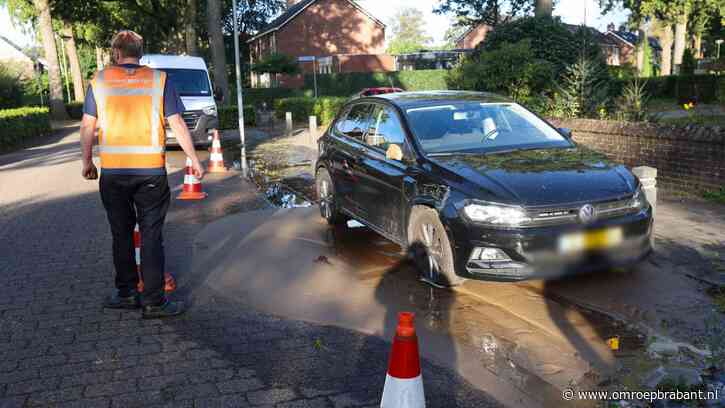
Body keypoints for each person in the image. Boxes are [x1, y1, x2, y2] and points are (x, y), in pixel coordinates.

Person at [80, 30, 204, 318]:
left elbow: (88, 126)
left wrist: (87, 161)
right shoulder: (159, 80)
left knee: (120, 234)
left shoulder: (98, 81)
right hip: (150, 172)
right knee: (151, 236)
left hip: (112, 173)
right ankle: (154, 301)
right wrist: (193, 158)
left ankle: (126, 294)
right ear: (140, 51)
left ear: (116, 53)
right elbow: (178, 124)